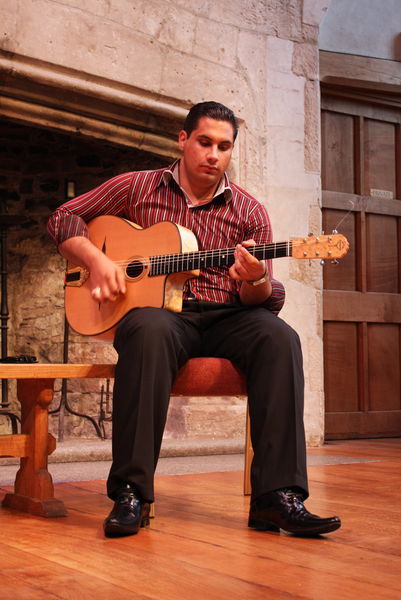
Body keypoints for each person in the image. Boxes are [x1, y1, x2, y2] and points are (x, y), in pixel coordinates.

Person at [48, 101, 341, 538]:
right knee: (147, 330)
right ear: (183, 140)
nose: (213, 155)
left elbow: (260, 297)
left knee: (280, 337)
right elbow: (63, 217)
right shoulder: (137, 187)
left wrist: (255, 278)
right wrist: (97, 261)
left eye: (224, 147)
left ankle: (277, 498)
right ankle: (131, 493)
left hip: (229, 314)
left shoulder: (249, 211)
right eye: (205, 142)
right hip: (163, 315)